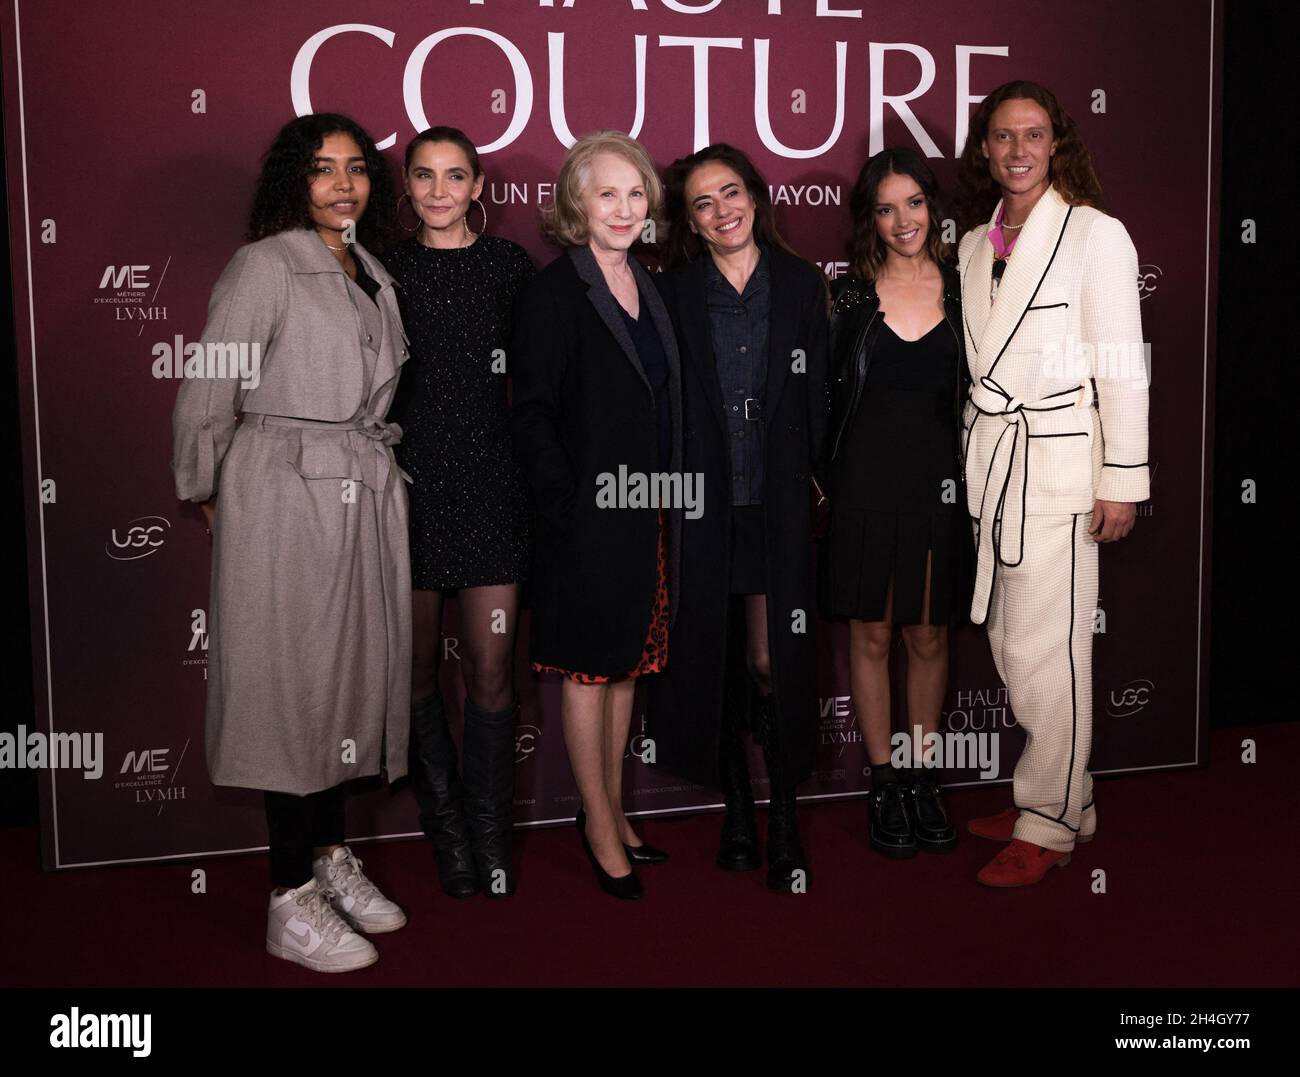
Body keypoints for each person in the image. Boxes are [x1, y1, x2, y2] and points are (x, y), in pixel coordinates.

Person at [171, 113, 411, 971]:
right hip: (282, 491)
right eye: (321, 169)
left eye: (355, 169)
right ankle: (287, 895)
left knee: (343, 680)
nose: (342, 183)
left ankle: (326, 857)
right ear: (291, 181)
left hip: (359, 488)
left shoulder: (373, 269)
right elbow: (208, 391)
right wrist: (209, 488)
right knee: (290, 685)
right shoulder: (265, 264)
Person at [953, 80, 1149, 886]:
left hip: (1061, 467)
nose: (1018, 150)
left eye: (1033, 135)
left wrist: (1122, 478)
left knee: (1050, 650)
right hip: (991, 463)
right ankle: (1067, 793)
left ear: (1057, 144)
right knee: (1008, 640)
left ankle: (1050, 820)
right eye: (1003, 136)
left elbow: (1120, 366)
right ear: (986, 148)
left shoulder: (1095, 235)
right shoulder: (969, 245)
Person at [647, 144, 829, 893]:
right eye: (702, 202)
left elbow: (817, 396)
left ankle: (783, 814)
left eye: (731, 192)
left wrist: (817, 486)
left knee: (768, 659)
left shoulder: (800, 283)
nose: (722, 210)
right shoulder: (675, 293)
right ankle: (737, 810)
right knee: (716, 659)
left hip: (777, 505)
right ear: (689, 220)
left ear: (754, 196)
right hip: (704, 505)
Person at [511, 131, 682, 900]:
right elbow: (533, 417)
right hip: (585, 517)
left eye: (636, 192)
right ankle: (598, 824)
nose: (623, 207)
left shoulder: (652, 285)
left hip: (645, 514)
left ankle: (611, 809)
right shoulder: (554, 293)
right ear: (575, 202)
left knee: (623, 669)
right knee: (589, 670)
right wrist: (567, 510)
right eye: (606, 192)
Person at [383, 127, 535, 900]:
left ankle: (489, 833)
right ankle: (445, 830)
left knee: (491, 671)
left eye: (454, 176)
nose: (439, 191)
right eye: (423, 176)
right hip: (403, 492)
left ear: (479, 186)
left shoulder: (510, 268)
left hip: (491, 490)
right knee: (412, 674)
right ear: (405, 188)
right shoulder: (382, 271)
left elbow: (545, 384)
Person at [820, 147, 971, 859]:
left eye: (913, 203)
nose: (902, 220)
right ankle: (883, 780)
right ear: (869, 220)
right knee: (873, 636)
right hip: (863, 488)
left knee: (930, 636)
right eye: (885, 208)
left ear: (933, 206)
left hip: (942, 486)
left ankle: (921, 777)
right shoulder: (850, 295)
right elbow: (825, 398)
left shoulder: (970, 287)